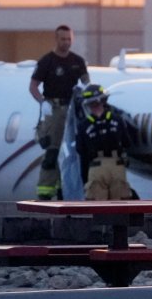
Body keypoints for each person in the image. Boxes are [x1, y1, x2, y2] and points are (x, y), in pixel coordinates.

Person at [29, 25, 90, 200]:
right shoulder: (47, 61)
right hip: (54, 109)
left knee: (73, 152)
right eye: (63, 39)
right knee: (52, 151)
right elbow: (33, 86)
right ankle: (45, 193)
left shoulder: (77, 61)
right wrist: (42, 102)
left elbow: (87, 82)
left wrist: (85, 90)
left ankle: (67, 190)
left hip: (72, 110)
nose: (66, 43)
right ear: (56, 40)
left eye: (69, 39)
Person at [75, 84, 132, 200]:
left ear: (88, 104)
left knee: (98, 206)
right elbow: (127, 143)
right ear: (103, 100)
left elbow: (81, 150)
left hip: (96, 167)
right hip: (117, 166)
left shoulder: (83, 125)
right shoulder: (117, 119)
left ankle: (102, 219)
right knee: (120, 205)